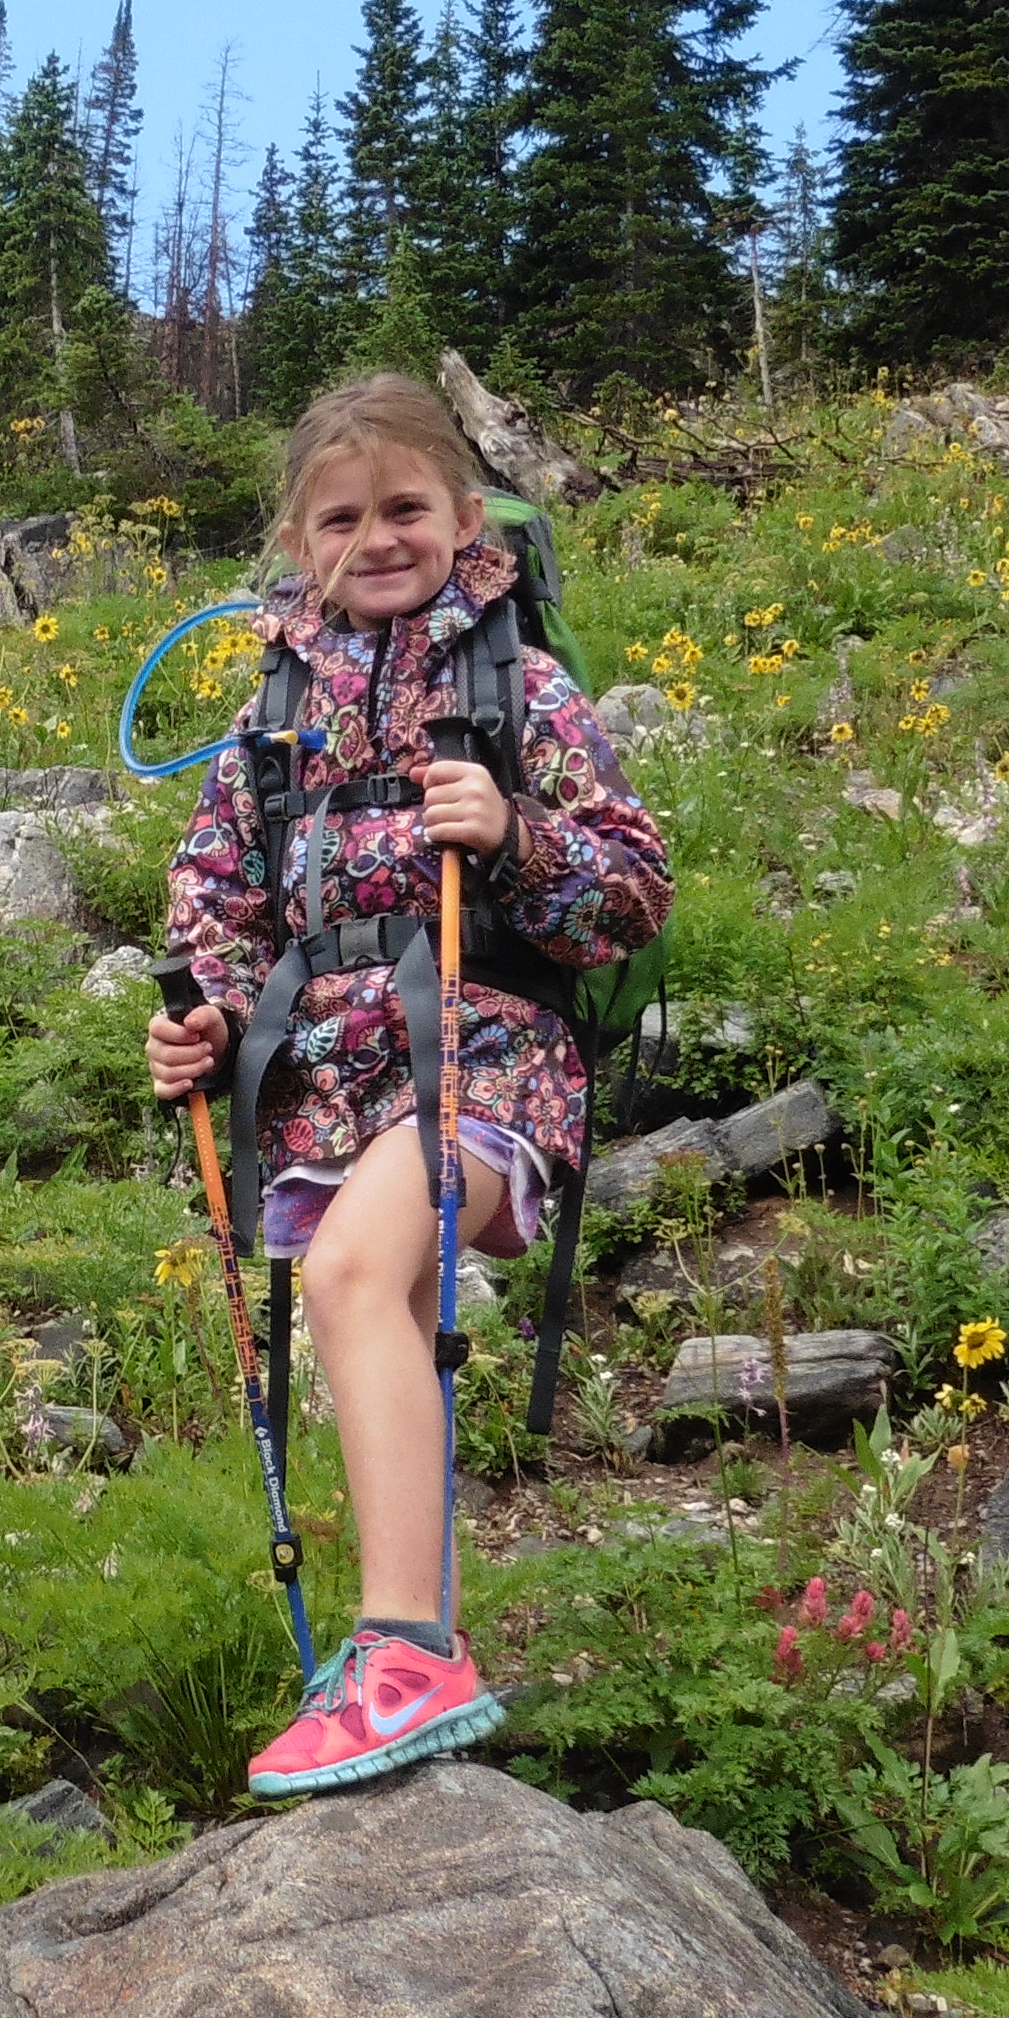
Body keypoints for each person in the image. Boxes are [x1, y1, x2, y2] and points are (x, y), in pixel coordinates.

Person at [147, 373, 671, 1799]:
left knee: (352, 1284)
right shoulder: (271, 713)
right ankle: (421, 1645)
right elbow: (216, 910)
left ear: (461, 513)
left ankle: (404, 1649)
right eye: (340, 517)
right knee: (387, 1303)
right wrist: (195, 1025)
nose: (375, 538)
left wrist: (511, 836)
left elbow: (631, 896)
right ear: (296, 540)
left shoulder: (523, 686)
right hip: (336, 1076)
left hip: (494, 1051)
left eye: (404, 508)